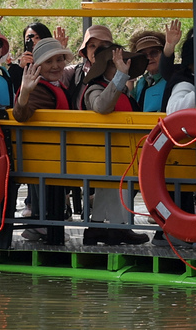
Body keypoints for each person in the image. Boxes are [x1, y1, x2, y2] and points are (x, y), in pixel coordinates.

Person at [79, 41, 149, 245]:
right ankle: (118, 228)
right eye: (116, 63)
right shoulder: (94, 89)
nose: (122, 66)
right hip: (103, 156)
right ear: (104, 67)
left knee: (108, 182)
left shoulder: (120, 91)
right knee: (111, 178)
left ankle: (97, 228)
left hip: (117, 154)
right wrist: (120, 77)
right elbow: (101, 106)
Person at [12, 38, 77, 244]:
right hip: (47, 157)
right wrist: (24, 93)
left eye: (59, 60)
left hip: (51, 155)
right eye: (49, 62)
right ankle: (44, 226)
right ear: (38, 66)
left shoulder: (54, 84)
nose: (56, 66)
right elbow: (20, 114)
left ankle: (42, 225)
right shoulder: (38, 88)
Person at [129, 22, 181, 112]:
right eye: (143, 55)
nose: (149, 58)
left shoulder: (173, 76)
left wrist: (169, 46)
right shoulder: (141, 82)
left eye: (154, 52)